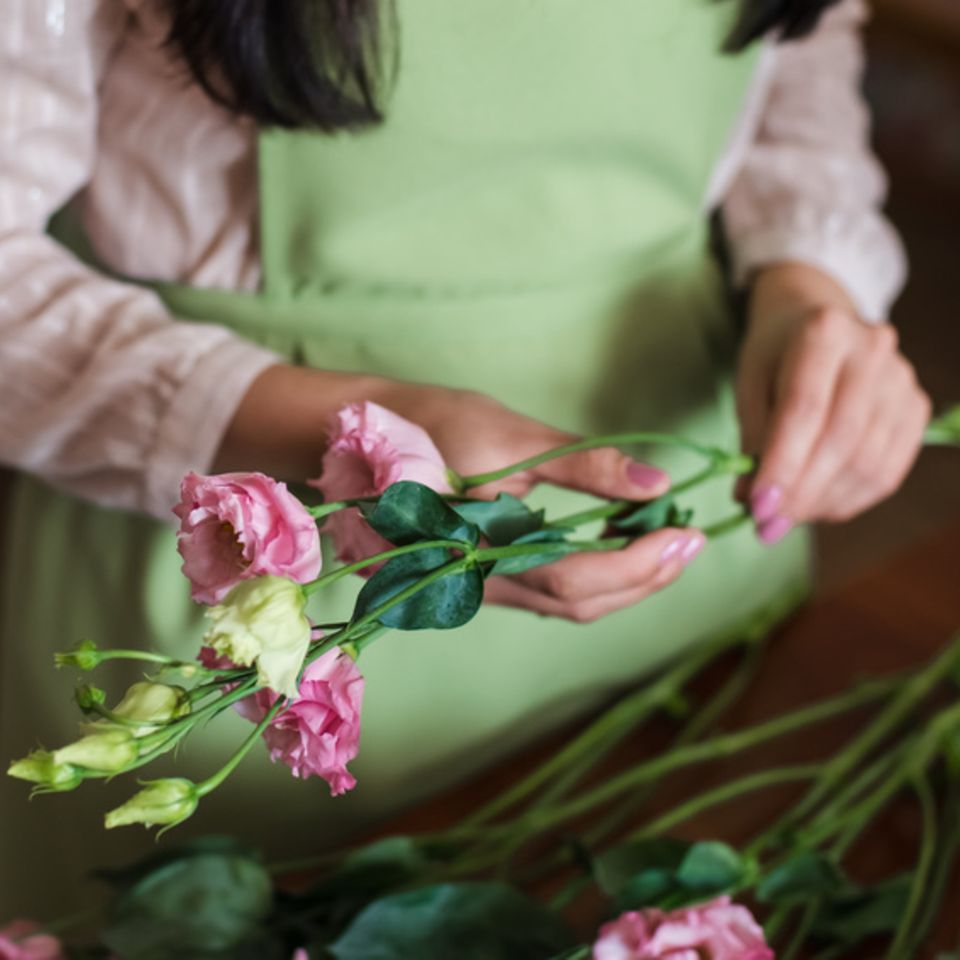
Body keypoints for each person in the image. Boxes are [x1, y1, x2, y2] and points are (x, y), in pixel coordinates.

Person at [0, 0, 930, 917]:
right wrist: (353, 435)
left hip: (703, 583)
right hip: (256, 642)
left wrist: (808, 284)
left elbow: (797, 65)